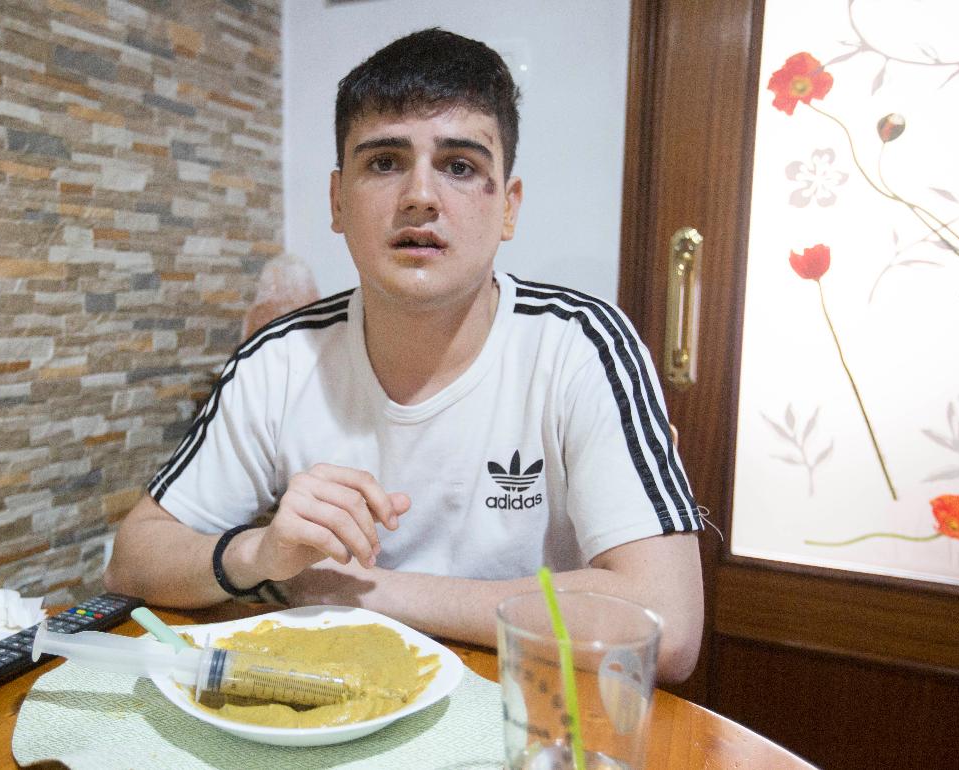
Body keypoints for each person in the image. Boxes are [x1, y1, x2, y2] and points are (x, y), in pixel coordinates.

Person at [105, 28, 704, 683]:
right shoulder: (279, 358)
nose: (421, 196)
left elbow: (667, 624)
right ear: (338, 200)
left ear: (508, 207)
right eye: (385, 162)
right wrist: (260, 555)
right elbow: (133, 557)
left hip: (527, 713)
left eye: (459, 165)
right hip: (334, 708)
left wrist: (364, 590)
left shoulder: (583, 345)